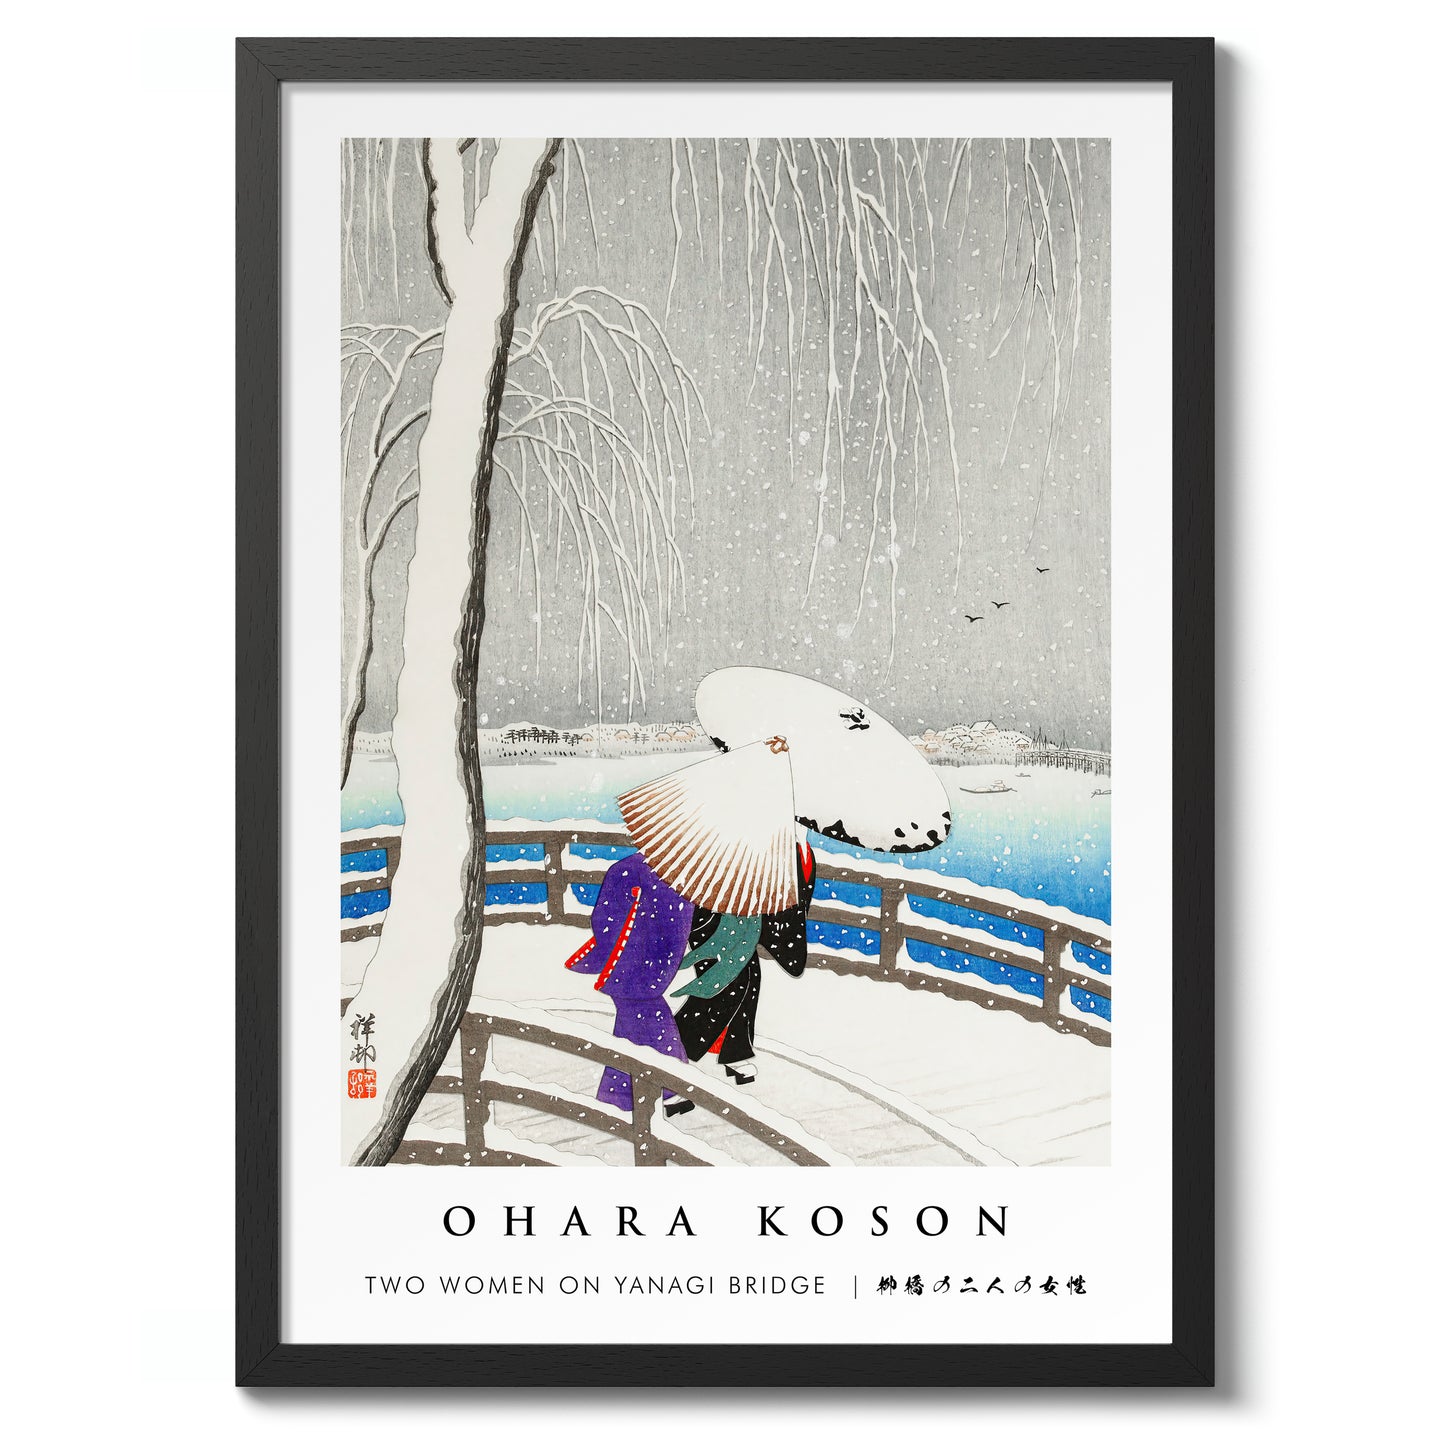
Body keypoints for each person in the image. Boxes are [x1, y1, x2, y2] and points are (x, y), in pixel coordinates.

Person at [563, 850, 697, 1116]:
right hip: (659, 961)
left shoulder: (628, 870)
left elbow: (603, 920)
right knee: (640, 1019)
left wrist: (614, 943)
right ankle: (630, 1092)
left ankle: (640, 1092)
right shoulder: (681, 872)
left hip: (629, 961)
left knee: (640, 1018)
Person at [672, 840, 816, 1082]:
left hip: (745, 916)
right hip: (716, 914)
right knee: (723, 984)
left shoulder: (790, 842)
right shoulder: (735, 830)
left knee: (748, 983)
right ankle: (675, 1047)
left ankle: (733, 1051)